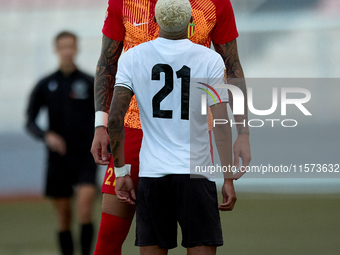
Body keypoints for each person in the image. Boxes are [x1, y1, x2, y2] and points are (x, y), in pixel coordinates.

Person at [92, 0, 251, 254]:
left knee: (175, 236)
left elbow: (232, 67)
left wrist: (243, 130)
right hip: (131, 127)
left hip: (192, 130)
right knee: (110, 232)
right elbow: (107, 62)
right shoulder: (123, 2)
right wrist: (101, 124)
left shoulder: (215, 4)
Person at [25, 31, 97, 255]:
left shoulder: (90, 82)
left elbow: (103, 115)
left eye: (71, 46)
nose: (67, 51)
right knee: (64, 216)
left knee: (85, 210)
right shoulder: (46, 84)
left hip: (85, 156)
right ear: (56, 50)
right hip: (58, 159)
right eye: (63, 46)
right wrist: (47, 136)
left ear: (76, 48)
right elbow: (30, 120)